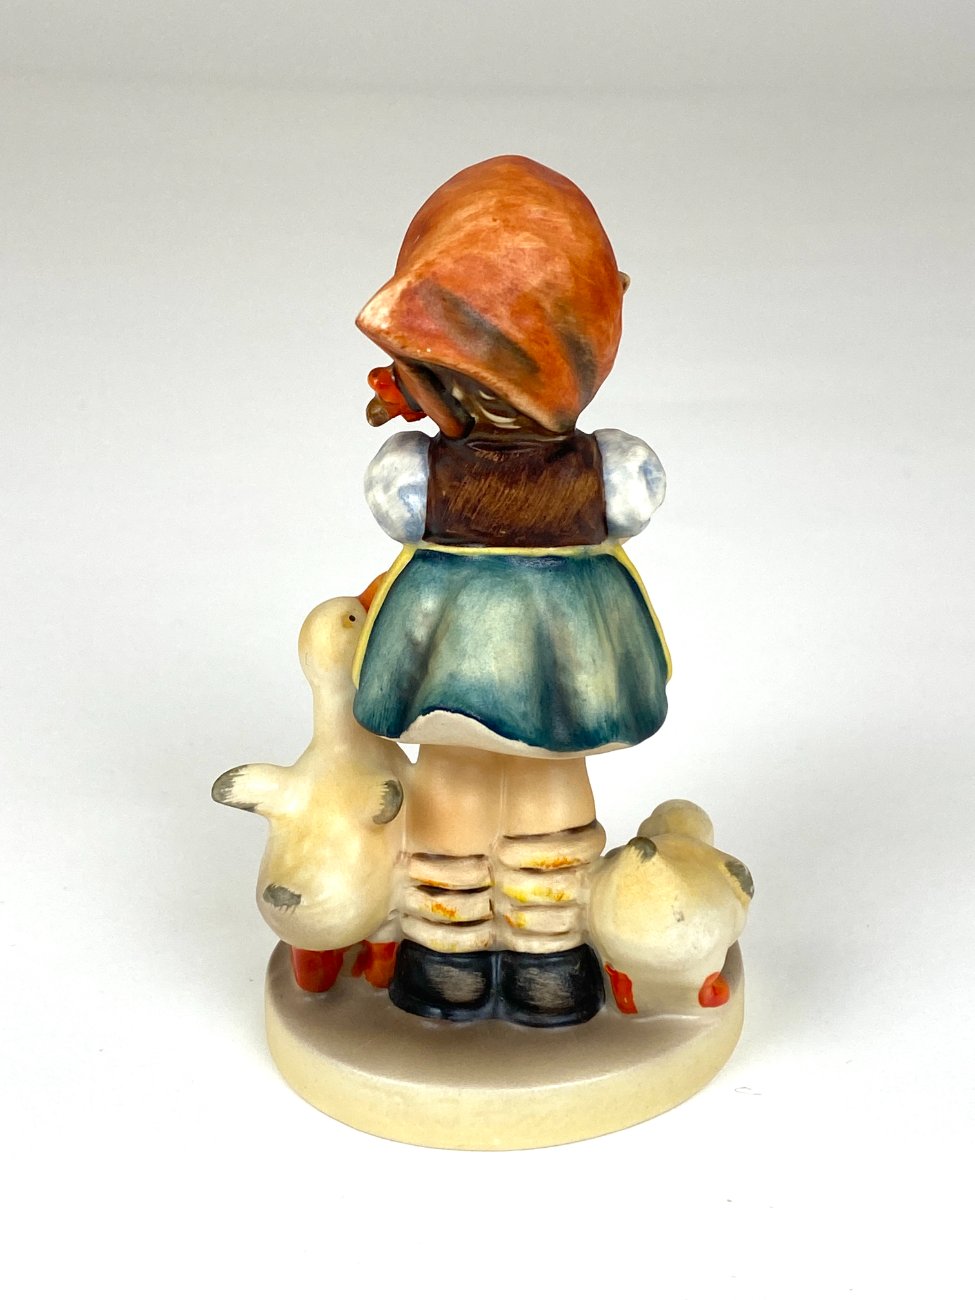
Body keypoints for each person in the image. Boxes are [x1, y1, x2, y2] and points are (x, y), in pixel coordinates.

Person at [352, 155, 670, 1026]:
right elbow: (631, 504)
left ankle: (522, 954)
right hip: (555, 635)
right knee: (492, 782)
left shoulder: (425, 474)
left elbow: (397, 506)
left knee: (509, 785)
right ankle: (476, 950)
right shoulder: (603, 470)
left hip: (452, 633)